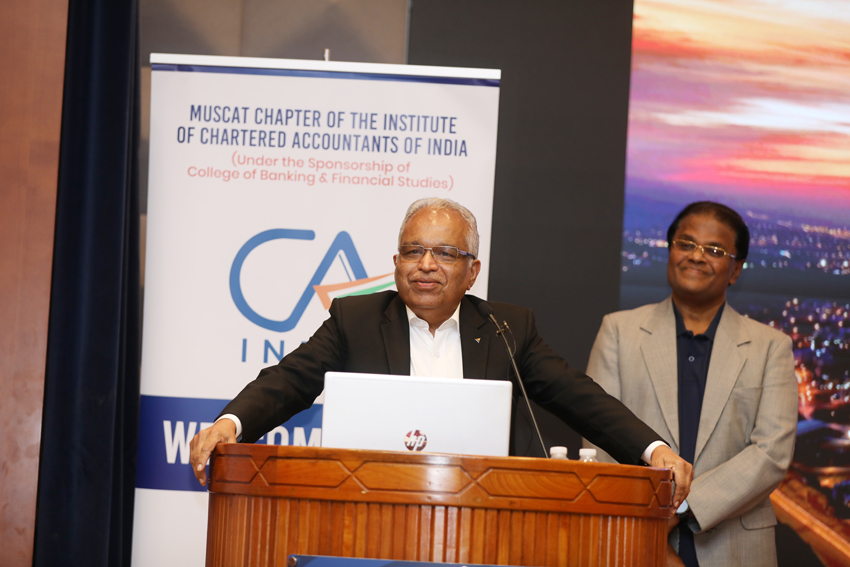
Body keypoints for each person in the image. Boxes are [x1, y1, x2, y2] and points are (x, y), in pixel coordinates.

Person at [189, 197, 693, 508]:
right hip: (369, 510)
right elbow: (288, 380)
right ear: (396, 263)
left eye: (445, 253)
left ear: (472, 271)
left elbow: (580, 398)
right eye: (414, 251)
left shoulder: (506, 329)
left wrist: (655, 451)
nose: (426, 264)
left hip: (480, 516)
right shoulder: (355, 320)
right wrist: (229, 424)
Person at [584, 202, 797, 567]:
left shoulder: (771, 347)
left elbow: (771, 453)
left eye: (714, 250)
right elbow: (598, 436)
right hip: (635, 536)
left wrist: (682, 507)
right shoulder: (618, 332)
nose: (697, 256)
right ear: (670, 251)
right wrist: (649, 524)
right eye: (686, 244)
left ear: (736, 270)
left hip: (735, 547)